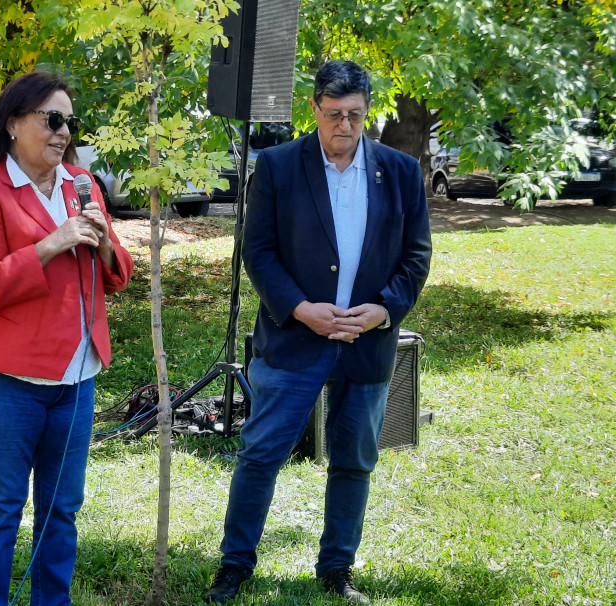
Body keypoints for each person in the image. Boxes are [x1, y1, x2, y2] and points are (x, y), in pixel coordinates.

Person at [204, 60, 432, 604]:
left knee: (354, 460)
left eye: (355, 115)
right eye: (333, 115)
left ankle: (336, 570)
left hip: (367, 344)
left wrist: (384, 310)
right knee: (261, 455)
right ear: (314, 109)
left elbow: (416, 256)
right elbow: (256, 252)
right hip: (294, 340)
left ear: (367, 110)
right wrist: (301, 309)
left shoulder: (400, 171)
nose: (344, 127)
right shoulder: (279, 168)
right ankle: (234, 567)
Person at [0, 70, 133, 606]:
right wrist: (50, 244)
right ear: (13, 124)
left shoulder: (82, 184)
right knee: (1, 510)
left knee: (61, 509)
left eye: (69, 122)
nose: (63, 132)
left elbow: (117, 274)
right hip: (4, 381)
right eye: (52, 119)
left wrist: (101, 247)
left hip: (77, 375)